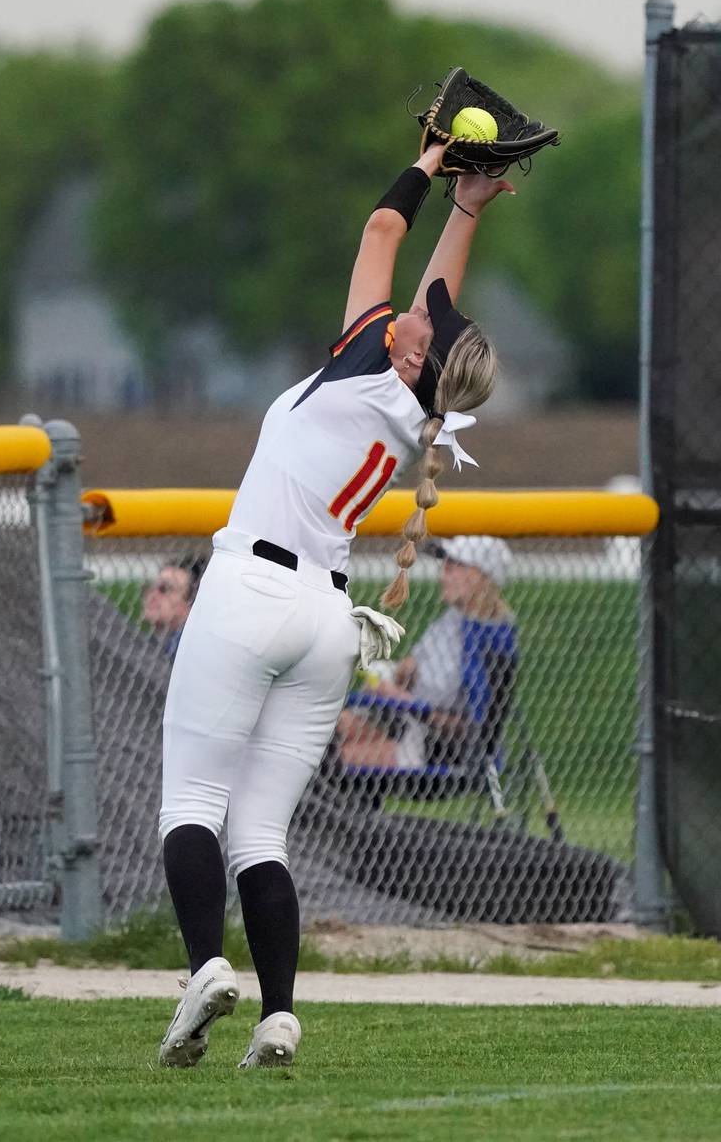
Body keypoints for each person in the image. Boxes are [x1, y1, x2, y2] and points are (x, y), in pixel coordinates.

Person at [157, 142, 514, 1070]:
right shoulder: (415, 409)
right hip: (327, 622)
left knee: (191, 800)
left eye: (419, 324)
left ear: (409, 351)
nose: (410, 313)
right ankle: (278, 1014)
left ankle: (204, 965)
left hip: (250, 590)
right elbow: (435, 295)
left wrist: (429, 160)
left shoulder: (366, 362)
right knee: (261, 832)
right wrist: (469, 206)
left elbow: (383, 230)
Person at [337, 535, 517, 784]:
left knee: (333, 759)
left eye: (454, 567)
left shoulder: (490, 638)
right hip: (400, 720)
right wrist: (395, 675)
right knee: (327, 731)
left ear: (480, 577)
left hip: (436, 747)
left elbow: (469, 727)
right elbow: (409, 670)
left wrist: (400, 699)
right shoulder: (451, 621)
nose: (443, 575)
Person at [142, 558, 203, 661]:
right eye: (152, 587)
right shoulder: (150, 643)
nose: (153, 595)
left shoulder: (192, 649)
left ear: (191, 602)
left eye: (164, 588)